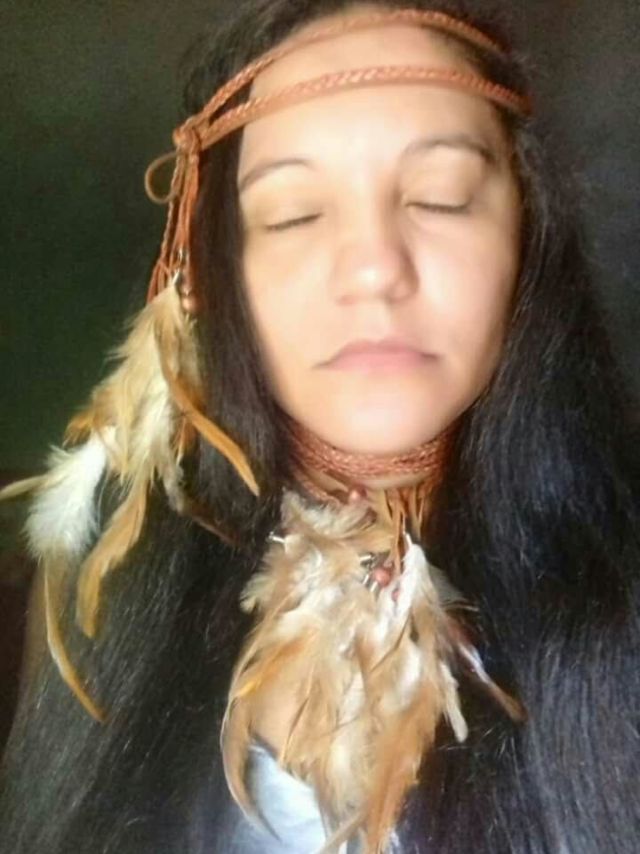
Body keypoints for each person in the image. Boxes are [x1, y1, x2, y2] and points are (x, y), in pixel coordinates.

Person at [1, 1, 638, 852]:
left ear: (529, 233)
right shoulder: (101, 599)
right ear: (210, 270)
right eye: (293, 213)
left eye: (443, 196)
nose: (374, 267)